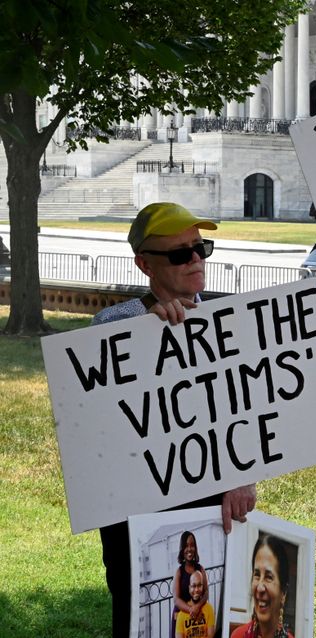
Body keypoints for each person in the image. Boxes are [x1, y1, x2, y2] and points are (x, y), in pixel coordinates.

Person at [93, 202, 257, 637]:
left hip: (212, 516)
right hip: (137, 525)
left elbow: (245, 416)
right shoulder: (113, 324)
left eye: (200, 248)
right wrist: (144, 337)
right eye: (181, 254)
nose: (196, 260)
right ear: (144, 264)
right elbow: (95, 429)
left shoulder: (227, 327)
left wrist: (244, 475)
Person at [230, 534, 294, 638]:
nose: (260, 588)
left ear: (283, 593)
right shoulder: (238, 635)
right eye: (257, 575)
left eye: (268, 577)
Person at [172, 531, 209, 629]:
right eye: (186, 546)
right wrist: (191, 610)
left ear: (195, 548)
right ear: (182, 549)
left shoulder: (201, 569)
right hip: (181, 615)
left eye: (192, 545)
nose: (189, 549)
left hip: (196, 617)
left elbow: (206, 593)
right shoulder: (179, 571)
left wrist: (197, 607)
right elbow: (176, 599)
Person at [175, 569, 215, 638]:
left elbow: (210, 635)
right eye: (193, 586)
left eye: (199, 585)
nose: (196, 590)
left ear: (203, 587)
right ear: (189, 588)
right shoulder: (181, 614)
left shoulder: (209, 609)